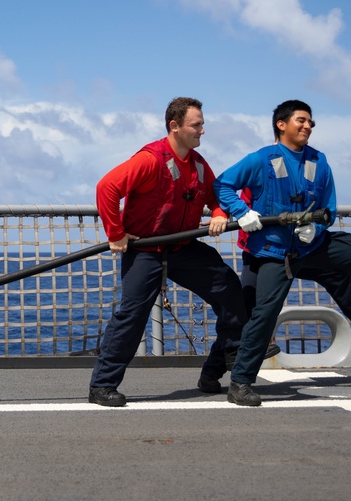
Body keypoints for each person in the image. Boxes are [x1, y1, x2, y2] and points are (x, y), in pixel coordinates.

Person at [216, 99, 351, 407]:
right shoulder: (260, 160)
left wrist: (316, 230)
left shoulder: (320, 162)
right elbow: (223, 185)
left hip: (313, 245)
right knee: (263, 314)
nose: (308, 126)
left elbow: (328, 210)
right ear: (281, 125)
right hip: (273, 251)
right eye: (301, 121)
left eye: (311, 122)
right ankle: (240, 383)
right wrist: (242, 212)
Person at [88, 96, 252, 407]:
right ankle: (101, 386)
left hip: (183, 247)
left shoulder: (200, 166)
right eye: (196, 125)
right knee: (132, 316)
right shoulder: (149, 160)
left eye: (202, 124)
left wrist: (218, 213)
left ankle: (227, 360)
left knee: (229, 289)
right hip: (145, 249)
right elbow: (106, 188)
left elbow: (215, 197)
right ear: (174, 127)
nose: (202, 131)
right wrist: (116, 234)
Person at [236, 188, 351, 349]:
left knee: (340, 273)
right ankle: (251, 347)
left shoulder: (307, 173)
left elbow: (322, 208)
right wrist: (240, 212)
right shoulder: (258, 169)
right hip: (261, 251)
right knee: (250, 299)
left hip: (299, 248)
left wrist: (314, 227)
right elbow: (234, 196)